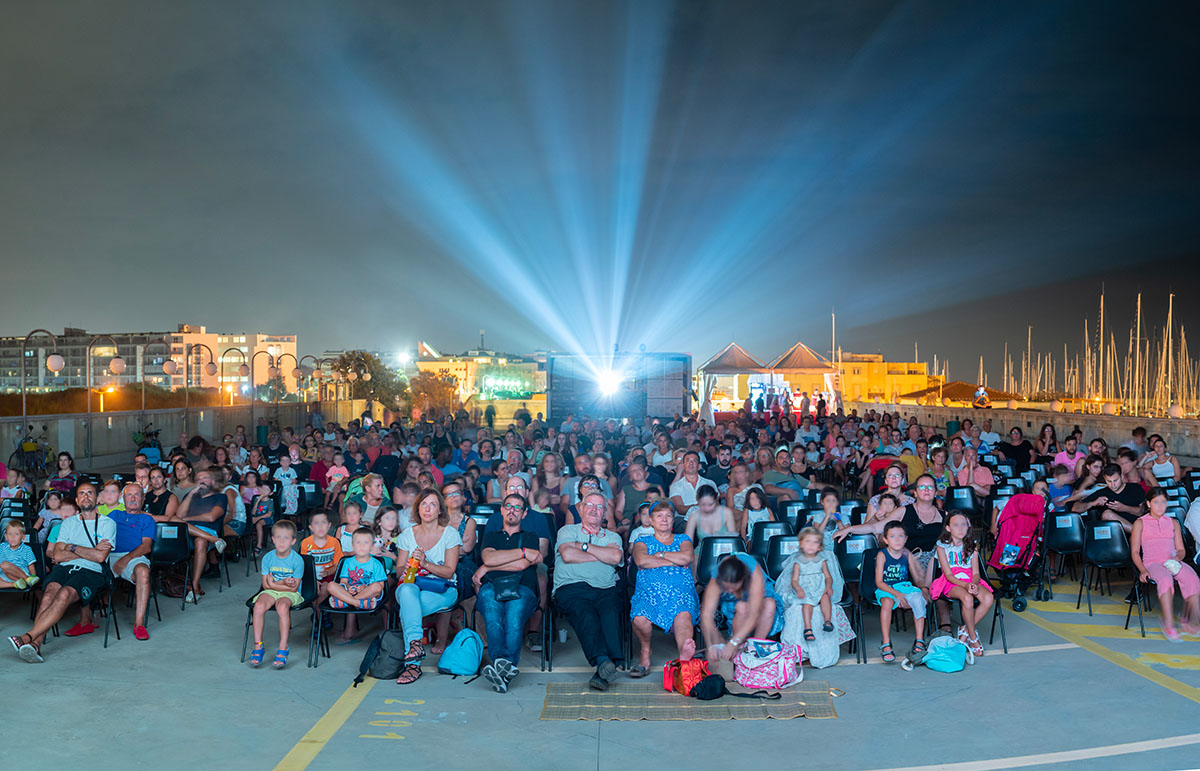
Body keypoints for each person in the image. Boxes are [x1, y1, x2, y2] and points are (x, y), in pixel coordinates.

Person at [9, 482, 115, 663]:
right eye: (82, 493)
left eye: (90, 493)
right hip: (64, 568)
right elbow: (57, 555)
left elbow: (99, 558)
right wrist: (88, 551)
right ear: (77, 499)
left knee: (65, 593)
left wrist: (72, 547)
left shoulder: (108, 523)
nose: (86, 496)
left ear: (97, 499)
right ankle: (36, 645)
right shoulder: (68, 523)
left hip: (91, 571)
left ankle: (28, 637)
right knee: (49, 593)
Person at [554, 491, 625, 690]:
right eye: (590, 505)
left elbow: (615, 557)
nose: (594, 510)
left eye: (599, 507)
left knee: (610, 613)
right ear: (581, 509)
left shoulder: (613, 536)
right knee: (585, 613)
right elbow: (567, 554)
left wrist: (582, 546)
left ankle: (602, 670)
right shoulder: (567, 531)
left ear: (605, 513)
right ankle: (605, 661)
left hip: (605, 588)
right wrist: (602, 554)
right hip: (571, 586)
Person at [393, 489, 462, 685]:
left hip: (443, 588)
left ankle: (413, 666)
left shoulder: (450, 534)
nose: (427, 508)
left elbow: (449, 572)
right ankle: (416, 646)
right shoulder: (408, 534)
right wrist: (406, 567)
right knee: (407, 590)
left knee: (408, 610)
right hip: (412, 585)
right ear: (418, 508)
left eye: (432, 504)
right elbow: (399, 572)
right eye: (423, 504)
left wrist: (425, 564)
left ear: (440, 510)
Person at [475, 494, 541, 693]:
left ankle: (502, 664)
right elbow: (488, 557)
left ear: (524, 513)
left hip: (523, 586)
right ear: (502, 510)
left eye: (517, 507)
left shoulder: (531, 536)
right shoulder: (491, 535)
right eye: (508, 506)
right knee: (493, 616)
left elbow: (522, 565)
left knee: (513, 616)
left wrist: (491, 565)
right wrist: (522, 552)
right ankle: (506, 666)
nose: (512, 510)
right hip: (492, 586)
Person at [629, 501, 699, 677]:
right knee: (639, 619)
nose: (664, 519)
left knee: (683, 615)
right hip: (649, 593)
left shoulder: (683, 539)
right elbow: (642, 561)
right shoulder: (641, 541)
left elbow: (687, 557)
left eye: (668, 515)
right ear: (651, 520)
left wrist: (659, 555)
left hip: (680, 592)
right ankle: (646, 652)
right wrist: (674, 561)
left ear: (673, 520)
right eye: (659, 516)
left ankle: (685, 661)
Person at [1132, 488, 1200, 641]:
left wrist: (1178, 558)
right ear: (1149, 504)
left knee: (1192, 578)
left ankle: (1190, 620)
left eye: (1163, 502)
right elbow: (1135, 552)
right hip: (1152, 563)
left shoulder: (1173, 523)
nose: (1160, 506)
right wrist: (1142, 570)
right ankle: (1168, 624)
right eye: (1156, 502)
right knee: (1165, 580)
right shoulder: (1140, 522)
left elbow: (1181, 550)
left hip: (1172, 561)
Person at [699, 552, 785, 663]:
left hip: (759, 598)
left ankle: (755, 648)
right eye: (726, 587)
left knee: (770, 605)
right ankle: (741, 647)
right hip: (735, 605)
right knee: (741, 607)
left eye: (733, 587)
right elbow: (706, 615)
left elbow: (754, 614)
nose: (729, 590)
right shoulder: (718, 576)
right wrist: (712, 644)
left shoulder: (754, 572)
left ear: (743, 579)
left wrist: (733, 642)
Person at [930, 512, 993, 657]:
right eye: (956, 525)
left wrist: (973, 584)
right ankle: (973, 637)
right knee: (967, 598)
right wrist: (965, 586)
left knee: (988, 598)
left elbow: (976, 573)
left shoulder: (972, 545)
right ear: (948, 528)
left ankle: (964, 630)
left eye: (963, 524)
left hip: (970, 579)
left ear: (968, 527)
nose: (960, 528)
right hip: (951, 581)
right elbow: (948, 574)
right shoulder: (942, 546)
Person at [248, 520, 304, 669]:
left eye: (286, 538)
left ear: (293, 541)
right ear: (272, 539)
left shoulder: (297, 560)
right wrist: (282, 583)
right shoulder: (268, 558)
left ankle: (283, 647)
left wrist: (276, 584)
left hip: (291, 593)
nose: (281, 541)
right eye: (278, 537)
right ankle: (258, 646)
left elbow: (294, 589)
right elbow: (266, 586)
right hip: (271, 591)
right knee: (258, 606)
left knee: (282, 607)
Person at [105, 484, 157, 641]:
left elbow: (146, 546)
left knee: (143, 572)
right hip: (110, 555)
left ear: (142, 499)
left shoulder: (147, 519)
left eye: (137, 495)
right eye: (129, 495)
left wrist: (125, 560)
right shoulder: (114, 515)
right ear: (123, 498)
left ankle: (139, 624)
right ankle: (89, 616)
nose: (133, 498)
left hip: (134, 557)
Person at [874, 521, 929, 665]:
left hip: (904, 587)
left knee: (918, 599)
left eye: (900, 536)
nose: (897, 540)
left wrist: (923, 589)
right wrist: (897, 594)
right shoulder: (882, 555)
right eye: (892, 536)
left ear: (905, 539)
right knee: (887, 602)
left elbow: (916, 578)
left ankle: (919, 639)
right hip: (886, 588)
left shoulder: (907, 554)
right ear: (885, 539)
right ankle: (886, 643)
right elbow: (879, 582)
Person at [328, 528, 388, 645]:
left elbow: (380, 586)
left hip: (368, 594)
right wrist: (348, 586)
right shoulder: (347, 562)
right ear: (353, 546)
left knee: (376, 587)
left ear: (371, 546)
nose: (361, 546)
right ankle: (356, 603)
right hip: (351, 593)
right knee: (331, 585)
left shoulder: (376, 564)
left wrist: (365, 588)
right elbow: (343, 582)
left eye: (365, 543)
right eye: (358, 542)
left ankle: (345, 601)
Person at [175, 469, 228, 603]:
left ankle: (194, 585)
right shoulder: (191, 495)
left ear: (212, 481)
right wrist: (191, 493)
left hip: (206, 531)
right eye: (198, 479)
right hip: (186, 534)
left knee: (200, 541)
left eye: (205, 478)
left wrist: (188, 519)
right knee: (174, 520)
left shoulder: (220, 497)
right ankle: (216, 541)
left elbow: (211, 517)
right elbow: (179, 516)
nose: (201, 481)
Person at [789, 527, 834, 642]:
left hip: (819, 587)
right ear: (801, 544)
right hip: (805, 589)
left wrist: (828, 587)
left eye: (815, 542)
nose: (811, 545)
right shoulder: (798, 562)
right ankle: (808, 628)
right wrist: (798, 589)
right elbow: (794, 580)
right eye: (807, 541)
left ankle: (827, 621)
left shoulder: (821, 561)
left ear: (819, 547)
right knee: (807, 602)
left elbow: (828, 577)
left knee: (825, 597)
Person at [1073, 464, 1145, 533]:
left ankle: (1138, 534)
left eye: (1115, 480)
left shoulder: (1135, 488)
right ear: (1105, 479)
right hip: (1116, 535)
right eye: (1109, 481)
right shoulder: (1102, 493)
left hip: (1138, 525)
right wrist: (1092, 503)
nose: (1113, 485)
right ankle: (1139, 534)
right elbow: (1075, 508)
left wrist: (1123, 508)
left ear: (1122, 476)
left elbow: (1141, 511)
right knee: (1107, 514)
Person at [300, 511, 343, 605]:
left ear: (329, 525)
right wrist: (314, 580)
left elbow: (337, 565)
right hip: (311, 576)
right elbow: (304, 566)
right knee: (314, 592)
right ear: (311, 528)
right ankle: (320, 614)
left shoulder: (334, 542)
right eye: (316, 523)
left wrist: (327, 572)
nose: (320, 526)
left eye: (323, 522)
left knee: (325, 589)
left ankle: (318, 613)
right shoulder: (306, 543)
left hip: (329, 575)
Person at [0, 520, 38, 590]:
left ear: (23, 537)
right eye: (10, 534)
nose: (13, 537)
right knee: (3, 567)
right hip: (4, 575)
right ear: (6, 536)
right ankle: (15, 584)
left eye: (16, 534)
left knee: (4, 564)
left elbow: (31, 566)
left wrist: (33, 577)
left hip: (21, 573)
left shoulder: (26, 549)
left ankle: (27, 579)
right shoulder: (1, 547)